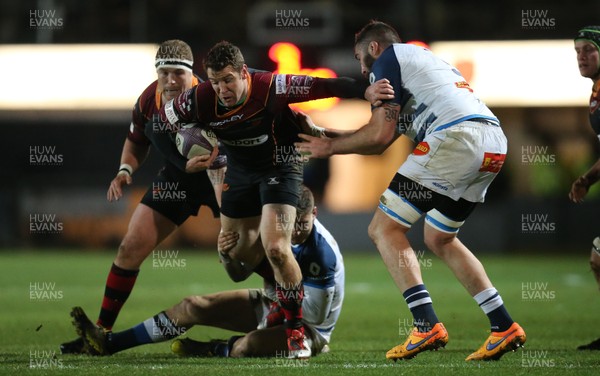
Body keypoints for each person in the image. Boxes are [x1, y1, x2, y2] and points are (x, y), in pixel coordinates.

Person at [296, 20, 526, 361]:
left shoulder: (389, 58)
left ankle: (425, 323)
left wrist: (328, 148)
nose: (362, 69)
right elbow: (379, 142)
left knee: (383, 228)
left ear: (374, 48)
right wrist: (323, 134)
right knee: (439, 238)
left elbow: (377, 136)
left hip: (454, 138)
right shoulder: (420, 68)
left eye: (361, 58)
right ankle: (503, 325)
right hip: (490, 143)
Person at [154, 40, 388, 358]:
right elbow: (165, 121)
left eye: (228, 80)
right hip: (239, 173)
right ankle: (275, 307)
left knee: (277, 247)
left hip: (281, 164)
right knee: (235, 259)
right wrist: (189, 148)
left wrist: (366, 90)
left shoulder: (271, 86)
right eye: (215, 81)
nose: (221, 88)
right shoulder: (196, 99)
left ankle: (293, 330)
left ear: (244, 74)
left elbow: (328, 84)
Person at [60, 39, 225, 354]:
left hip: (222, 176)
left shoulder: (211, 98)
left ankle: (291, 317)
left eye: (178, 73)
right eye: (164, 73)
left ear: (192, 74)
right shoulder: (149, 99)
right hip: (179, 178)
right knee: (130, 246)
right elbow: (136, 140)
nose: (170, 80)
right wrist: (125, 170)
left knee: (248, 255)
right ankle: (100, 336)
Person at [70, 186, 345, 358]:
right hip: (274, 303)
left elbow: (315, 315)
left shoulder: (321, 254)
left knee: (246, 347)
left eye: (303, 222)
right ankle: (110, 343)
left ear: (315, 214)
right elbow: (237, 275)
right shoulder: (272, 228)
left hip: (306, 328)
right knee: (191, 306)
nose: (295, 229)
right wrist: (227, 255)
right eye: (290, 221)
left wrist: (270, 281)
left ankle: (214, 348)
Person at [569, 25, 600, 351]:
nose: (581, 56)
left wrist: (587, 179)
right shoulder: (595, 93)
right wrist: (586, 178)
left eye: (589, 49)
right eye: (577, 50)